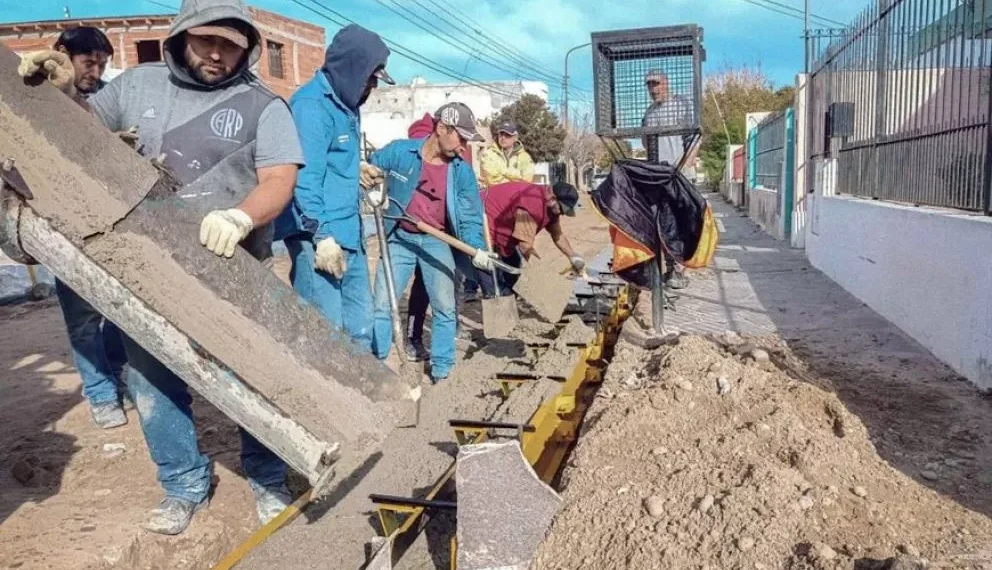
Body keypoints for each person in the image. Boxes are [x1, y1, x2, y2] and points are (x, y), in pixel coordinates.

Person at [18, 0, 305, 535]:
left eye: (230, 46)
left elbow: (278, 179)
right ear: (181, 37)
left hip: (234, 268)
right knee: (153, 379)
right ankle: (183, 484)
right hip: (146, 267)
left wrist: (241, 217)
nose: (216, 54)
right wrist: (61, 94)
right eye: (205, 41)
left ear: (246, 49)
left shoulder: (263, 105)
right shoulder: (135, 88)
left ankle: (268, 477)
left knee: (254, 378)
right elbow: (82, 135)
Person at [276, 24, 393, 352]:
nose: (372, 87)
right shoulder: (311, 107)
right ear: (352, 68)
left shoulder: (347, 105)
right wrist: (322, 237)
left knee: (360, 328)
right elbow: (304, 179)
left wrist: (356, 168)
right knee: (324, 334)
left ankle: (362, 384)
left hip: (350, 234)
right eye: (370, 79)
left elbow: (331, 157)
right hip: (319, 239)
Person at [361, 103, 495, 382]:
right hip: (399, 237)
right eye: (461, 138)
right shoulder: (401, 152)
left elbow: (470, 217)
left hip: (436, 240)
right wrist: (370, 182)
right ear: (442, 128)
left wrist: (477, 249)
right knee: (382, 304)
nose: (463, 147)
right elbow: (370, 167)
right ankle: (376, 365)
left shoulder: (461, 172)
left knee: (445, 307)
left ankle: (442, 370)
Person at [40, 27, 130, 430]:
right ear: (62, 54)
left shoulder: (106, 99)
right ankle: (101, 394)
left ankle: (115, 370)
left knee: (125, 311)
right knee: (82, 318)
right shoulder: (37, 95)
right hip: (65, 226)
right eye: (88, 63)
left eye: (103, 64)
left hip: (111, 223)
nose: (96, 72)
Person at [477, 181, 586, 296]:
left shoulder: (551, 207)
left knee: (513, 269)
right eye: (562, 209)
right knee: (487, 266)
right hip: (480, 215)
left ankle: (509, 294)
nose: (562, 214)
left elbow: (557, 234)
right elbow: (525, 247)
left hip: (503, 225)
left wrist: (572, 256)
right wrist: (542, 273)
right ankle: (491, 296)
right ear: (552, 199)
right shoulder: (531, 206)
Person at [642, 70, 694, 289]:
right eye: (649, 85)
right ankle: (671, 267)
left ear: (666, 83)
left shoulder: (681, 105)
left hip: (679, 174)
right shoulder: (649, 113)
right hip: (658, 177)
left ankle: (681, 268)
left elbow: (693, 139)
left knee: (682, 222)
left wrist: (686, 164)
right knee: (664, 223)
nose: (653, 89)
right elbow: (646, 143)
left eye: (656, 84)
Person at [479, 118, 535, 187]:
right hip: (494, 192)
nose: (503, 137)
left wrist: (503, 171)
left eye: (507, 135)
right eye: (501, 134)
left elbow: (527, 180)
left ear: (515, 137)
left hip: (518, 193)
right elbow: (493, 180)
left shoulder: (525, 157)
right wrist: (517, 177)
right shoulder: (488, 154)